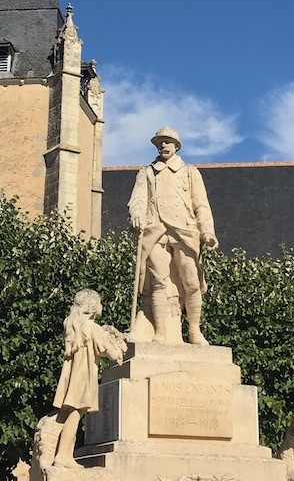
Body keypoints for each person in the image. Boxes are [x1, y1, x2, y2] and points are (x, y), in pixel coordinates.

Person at [128, 127, 218, 345]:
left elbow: (201, 205)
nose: (164, 145)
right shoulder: (147, 172)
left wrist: (207, 230)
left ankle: (195, 330)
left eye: (168, 142)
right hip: (155, 231)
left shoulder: (189, 172)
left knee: (191, 282)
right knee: (158, 282)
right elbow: (137, 199)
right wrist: (137, 214)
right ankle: (160, 332)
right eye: (160, 142)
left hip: (185, 230)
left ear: (177, 145)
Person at [52, 290, 126, 469]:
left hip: (71, 375)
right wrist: (119, 348)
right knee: (77, 413)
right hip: (84, 376)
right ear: (93, 307)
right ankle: (62, 455)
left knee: (68, 413)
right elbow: (110, 352)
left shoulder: (73, 325)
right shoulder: (92, 327)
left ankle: (60, 453)